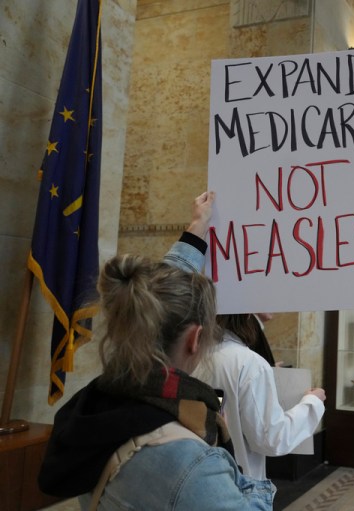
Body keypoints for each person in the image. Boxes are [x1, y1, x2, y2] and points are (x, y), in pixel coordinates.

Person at [38, 193, 276, 510]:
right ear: (196, 339)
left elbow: (160, 294)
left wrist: (197, 227)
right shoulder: (191, 462)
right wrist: (257, 488)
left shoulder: (98, 402)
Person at [194, 314, 325, 479]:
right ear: (248, 315)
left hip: (199, 472)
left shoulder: (192, 353)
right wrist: (313, 402)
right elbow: (271, 439)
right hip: (238, 479)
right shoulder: (249, 363)